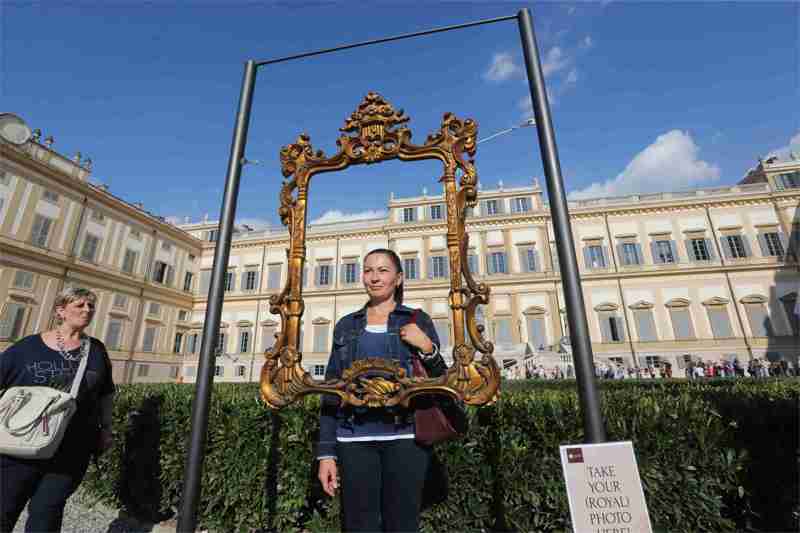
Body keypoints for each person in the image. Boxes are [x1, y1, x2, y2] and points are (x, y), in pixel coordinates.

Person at [316, 248, 444, 532]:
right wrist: (326, 453)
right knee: (359, 525)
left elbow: (441, 379)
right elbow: (331, 392)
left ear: (398, 279)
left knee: (402, 524)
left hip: (406, 437)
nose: (374, 277)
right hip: (353, 439)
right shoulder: (346, 326)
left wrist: (427, 347)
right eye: (368, 270)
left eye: (383, 270)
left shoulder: (416, 320)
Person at [0, 287, 115, 533]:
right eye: (80, 305)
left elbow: (106, 393)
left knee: (47, 513)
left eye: (91, 306)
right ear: (60, 311)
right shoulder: (27, 348)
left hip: (71, 449)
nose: (87, 310)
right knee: (5, 508)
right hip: (21, 445)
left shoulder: (96, 350)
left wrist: (106, 428)